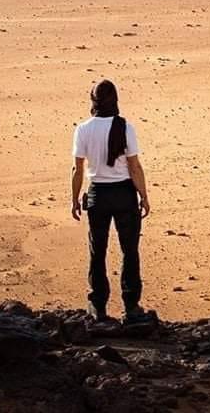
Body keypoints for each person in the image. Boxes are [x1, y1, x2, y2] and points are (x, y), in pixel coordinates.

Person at [70, 80, 151, 323]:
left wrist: (74, 199)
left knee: (98, 251)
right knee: (129, 251)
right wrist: (144, 196)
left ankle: (97, 306)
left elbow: (78, 168)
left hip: (98, 195)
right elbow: (134, 166)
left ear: (92, 101)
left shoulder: (83, 129)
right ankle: (132, 306)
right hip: (124, 194)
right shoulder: (126, 127)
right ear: (115, 99)